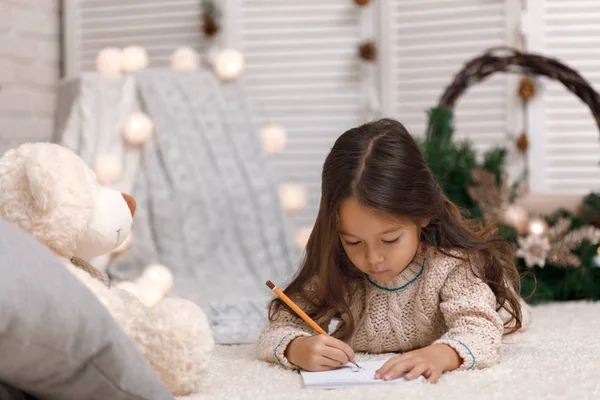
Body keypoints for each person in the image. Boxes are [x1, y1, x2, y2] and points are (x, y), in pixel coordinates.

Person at [257, 118, 524, 383]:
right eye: (352, 242)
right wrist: (297, 348)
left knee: (507, 312)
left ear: (422, 215)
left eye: (390, 240)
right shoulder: (338, 266)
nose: (372, 258)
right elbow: (277, 329)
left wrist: (441, 355)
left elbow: (481, 331)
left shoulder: (454, 265)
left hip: (490, 305)